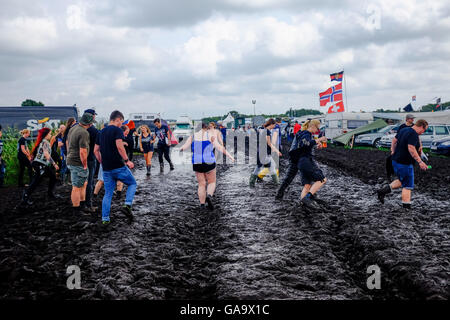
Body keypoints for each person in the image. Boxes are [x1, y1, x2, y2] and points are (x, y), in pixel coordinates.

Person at [94, 110, 136, 225]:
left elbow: (95, 151)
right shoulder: (117, 130)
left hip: (106, 168)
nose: (121, 125)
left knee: (108, 194)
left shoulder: (100, 132)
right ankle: (127, 204)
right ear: (118, 119)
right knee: (132, 183)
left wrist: (102, 162)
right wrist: (127, 161)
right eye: (121, 122)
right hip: (118, 166)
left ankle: (105, 219)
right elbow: (119, 146)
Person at [180, 123, 234, 209]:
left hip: (197, 161)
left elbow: (184, 147)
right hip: (209, 161)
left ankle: (202, 205)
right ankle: (209, 196)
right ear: (206, 128)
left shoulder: (192, 136)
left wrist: (180, 149)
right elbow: (220, 148)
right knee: (212, 182)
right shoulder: (210, 136)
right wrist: (230, 156)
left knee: (201, 184)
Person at [377, 119, 429, 210]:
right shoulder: (413, 134)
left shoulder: (404, 130)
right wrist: (420, 162)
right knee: (407, 186)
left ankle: (382, 191)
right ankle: (406, 208)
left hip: (395, 161)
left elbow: (394, 140)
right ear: (421, 126)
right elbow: (411, 148)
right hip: (405, 163)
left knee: (402, 180)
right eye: (424, 130)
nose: (423, 132)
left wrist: (393, 151)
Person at [275, 119, 327, 202]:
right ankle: (308, 196)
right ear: (313, 126)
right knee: (290, 177)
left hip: (297, 157)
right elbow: (305, 144)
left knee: (292, 178)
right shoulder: (305, 133)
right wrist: (319, 139)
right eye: (318, 129)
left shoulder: (304, 133)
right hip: (298, 158)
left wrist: (316, 145)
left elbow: (306, 145)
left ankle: (279, 195)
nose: (318, 131)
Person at [21, 128, 59, 205]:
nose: (50, 135)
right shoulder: (44, 142)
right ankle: (25, 196)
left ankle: (50, 194)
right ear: (46, 134)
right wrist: (54, 164)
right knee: (36, 182)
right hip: (39, 164)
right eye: (49, 134)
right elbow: (46, 154)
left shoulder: (45, 142)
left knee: (53, 177)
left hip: (42, 164)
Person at [66, 113, 95, 213]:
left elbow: (67, 143)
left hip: (71, 160)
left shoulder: (73, 128)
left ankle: (82, 206)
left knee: (83, 184)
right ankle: (76, 210)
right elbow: (83, 151)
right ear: (89, 123)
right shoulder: (84, 133)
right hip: (78, 162)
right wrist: (85, 164)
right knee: (77, 187)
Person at [249, 119, 282, 188]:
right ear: (271, 124)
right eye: (274, 125)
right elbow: (269, 143)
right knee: (272, 166)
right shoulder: (267, 131)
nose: (274, 127)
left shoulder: (260, 130)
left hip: (259, 151)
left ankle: (251, 183)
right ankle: (277, 183)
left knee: (258, 167)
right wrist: (277, 151)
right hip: (265, 152)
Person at [84, 109, 99, 212]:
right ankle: (88, 204)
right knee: (90, 182)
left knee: (81, 182)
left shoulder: (78, 128)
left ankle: (80, 202)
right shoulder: (93, 130)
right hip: (90, 158)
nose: (95, 117)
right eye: (94, 115)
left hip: (80, 159)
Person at [61, 117, 76, 185]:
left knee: (69, 165)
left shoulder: (67, 129)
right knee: (68, 166)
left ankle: (68, 180)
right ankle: (65, 181)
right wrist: (69, 152)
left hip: (66, 150)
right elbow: (67, 142)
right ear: (72, 122)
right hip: (67, 151)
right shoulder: (69, 130)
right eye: (75, 121)